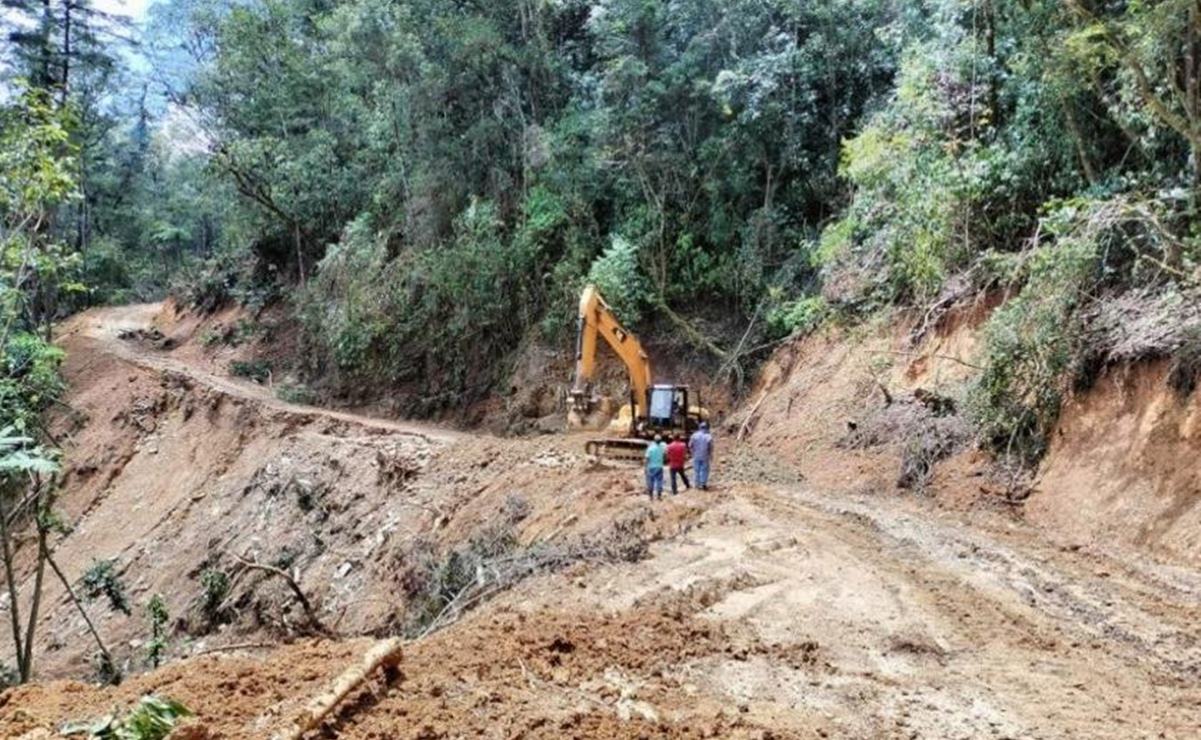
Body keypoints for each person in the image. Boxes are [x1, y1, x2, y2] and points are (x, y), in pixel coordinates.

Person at [689, 421, 714, 490]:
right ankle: (703, 484)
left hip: (696, 455)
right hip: (705, 456)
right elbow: (711, 447)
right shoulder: (708, 436)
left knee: (696, 470)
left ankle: (697, 484)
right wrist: (710, 455)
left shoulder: (694, 435)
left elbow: (690, 445)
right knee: (704, 470)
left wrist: (692, 452)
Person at [644, 434, 667, 501]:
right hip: (659, 467)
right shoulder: (661, 448)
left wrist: (645, 467)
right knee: (659, 482)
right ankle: (659, 496)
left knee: (650, 482)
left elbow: (647, 458)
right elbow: (665, 456)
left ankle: (651, 497)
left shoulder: (650, 448)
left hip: (651, 467)